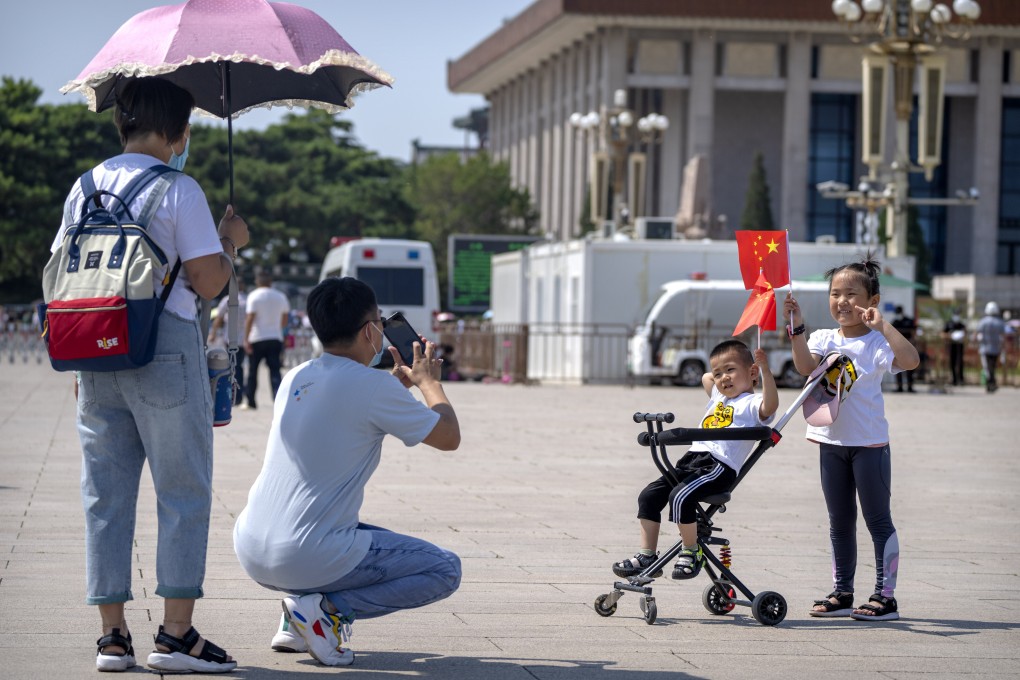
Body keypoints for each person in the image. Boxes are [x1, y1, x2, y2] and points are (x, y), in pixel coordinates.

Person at [52, 77, 248, 673]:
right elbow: (209, 281)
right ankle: (177, 635)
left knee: (104, 496)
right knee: (182, 492)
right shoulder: (178, 187)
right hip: (163, 348)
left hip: (92, 348)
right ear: (177, 131)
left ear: (123, 124)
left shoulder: (81, 187)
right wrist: (229, 242)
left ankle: (112, 637)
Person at [232, 276, 462, 667]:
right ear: (371, 330)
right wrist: (429, 383)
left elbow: (349, 407)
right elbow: (448, 436)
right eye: (382, 322)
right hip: (304, 554)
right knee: (444, 568)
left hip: (251, 546)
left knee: (369, 536)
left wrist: (394, 386)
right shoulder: (373, 388)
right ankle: (327, 611)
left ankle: (296, 620)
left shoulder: (297, 375)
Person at [784, 255, 919, 622]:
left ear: (871, 301)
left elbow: (910, 362)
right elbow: (806, 369)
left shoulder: (877, 342)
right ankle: (842, 591)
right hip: (831, 443)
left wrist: (885, 326)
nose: (841, 301)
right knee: (839, 521)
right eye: (834, 293)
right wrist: (796, 329)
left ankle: (885, 596)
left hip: (869, 445)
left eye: (851, 294)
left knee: (877, 520)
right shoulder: (824, 337)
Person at [612, 340, 778, 582]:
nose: (723, 378)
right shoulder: (718, 397)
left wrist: (763, 370)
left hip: (718, 466)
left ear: (751, 372)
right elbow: (705, 377)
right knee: (649, 495)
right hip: (692, 460)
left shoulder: (751, 403)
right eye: (719, 373)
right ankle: (648, 555)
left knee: (679, 496)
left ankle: (692, 551)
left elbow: (771, 405)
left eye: (731, 370)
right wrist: (723, 372)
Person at [243, 270, 290, 409]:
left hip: (257, 337)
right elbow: (285, 319)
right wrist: (277, 329)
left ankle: (251, 401)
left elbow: (250, 319)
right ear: (271, 282)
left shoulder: (254, 296)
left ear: (257, 281)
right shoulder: (281, 297)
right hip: (275, 337)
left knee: (253, 372)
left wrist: (246, 339)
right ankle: (278, 398)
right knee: (275, 370)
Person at [207, 278, 249, 407]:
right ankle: (240, 396)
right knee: (240, 366)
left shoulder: (227, 299)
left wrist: (213, 333)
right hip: (245, 338)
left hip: (230, 338)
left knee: (231, 367)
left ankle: (232, 394)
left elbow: (218, 318)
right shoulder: (248, 300)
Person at [977, 301, 1007, 393]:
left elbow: (978, 334)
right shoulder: (1000, 322)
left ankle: (991, 383)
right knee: (992, 366)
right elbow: (1003, 336)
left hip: (984, 348)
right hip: (996, 348)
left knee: (987, 367)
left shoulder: (983, 322)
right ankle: (991, 383)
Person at [890, 306, 917, 392]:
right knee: (898, 366)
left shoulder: (909, 321)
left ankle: (910, 386)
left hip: (908, 346)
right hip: (897, 347)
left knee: (910, 367)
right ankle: (899, 387)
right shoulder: (895, 322)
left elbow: (914, 332)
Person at [943, 310, 967, 386]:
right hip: (951, 345)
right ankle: (954, 380)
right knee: (952, 362)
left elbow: (965, 333)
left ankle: (961, 379)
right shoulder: (949, 324)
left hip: (959, 345)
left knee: (960, 362)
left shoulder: (961, 325)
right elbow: (942, 333)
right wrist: (950, 336)